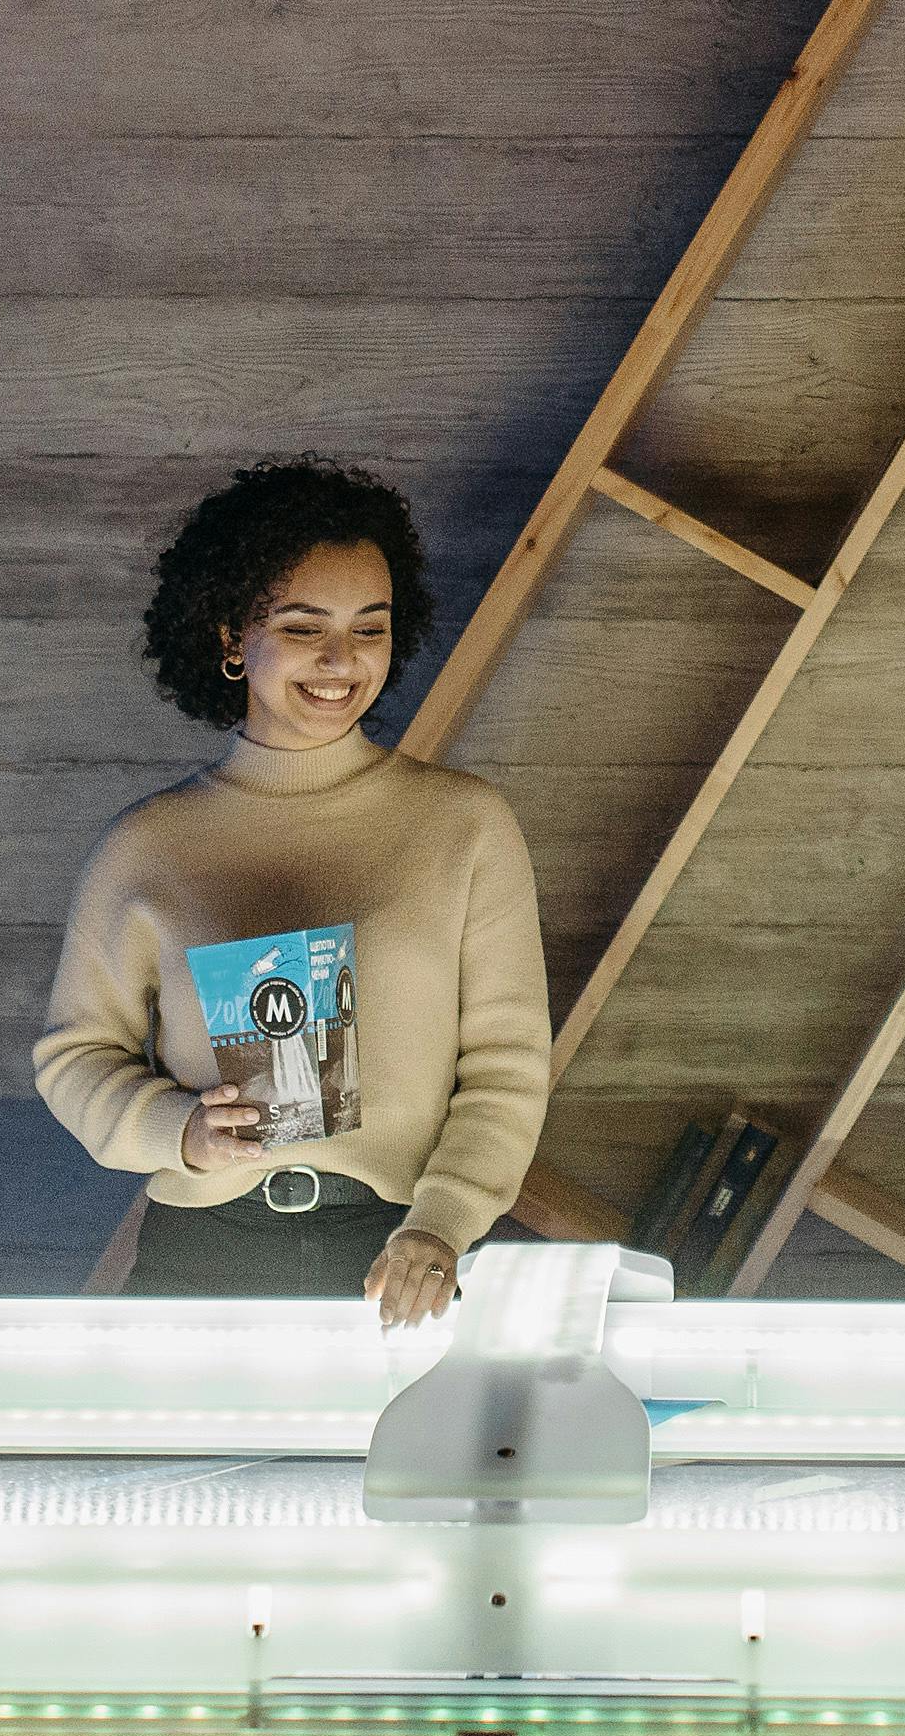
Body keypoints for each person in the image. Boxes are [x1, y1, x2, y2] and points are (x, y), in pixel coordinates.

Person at [32, 457, 549, 1323]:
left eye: (370, 629)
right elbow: (73, 1058)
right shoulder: (147, 842)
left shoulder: (463, 823)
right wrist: (177, 1132)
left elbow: (505, 1064)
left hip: (402, 1252)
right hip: (201, 1251)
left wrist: (443, 1223)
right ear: (233, 638)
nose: (342, 661)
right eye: (306, 628)